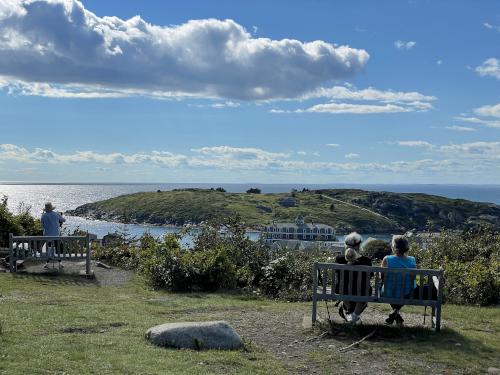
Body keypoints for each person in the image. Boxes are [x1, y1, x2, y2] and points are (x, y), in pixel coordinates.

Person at [335, 232, 372, 324]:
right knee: (364, 292)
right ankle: (354, 317)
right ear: (359, 245)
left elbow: (337, 274)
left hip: (343, 290)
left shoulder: (339, 259)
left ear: (346, 245)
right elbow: (370, 276)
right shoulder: (366, 261)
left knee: (343, 289)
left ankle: (350, 315)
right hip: (362, 291)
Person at [381, 235, 416, 325]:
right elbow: (413, 278)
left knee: (387, 289)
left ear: (394, 247)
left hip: (389, 291)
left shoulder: (387, 259)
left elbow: (382, 276)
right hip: (406, 292)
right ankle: (396, 312)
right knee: (408, 289)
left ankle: (395, 311)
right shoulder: (412, 260)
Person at [41, 202, 65, 269]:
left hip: (47, 236)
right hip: (56, 235)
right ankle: (60, 263)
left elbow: (42, 226)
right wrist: (60, 217)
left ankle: (47, 263)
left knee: (48, 248)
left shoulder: (43, 216)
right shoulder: (56, 214)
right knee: (58, 248)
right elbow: (63, 220)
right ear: (52, 208)